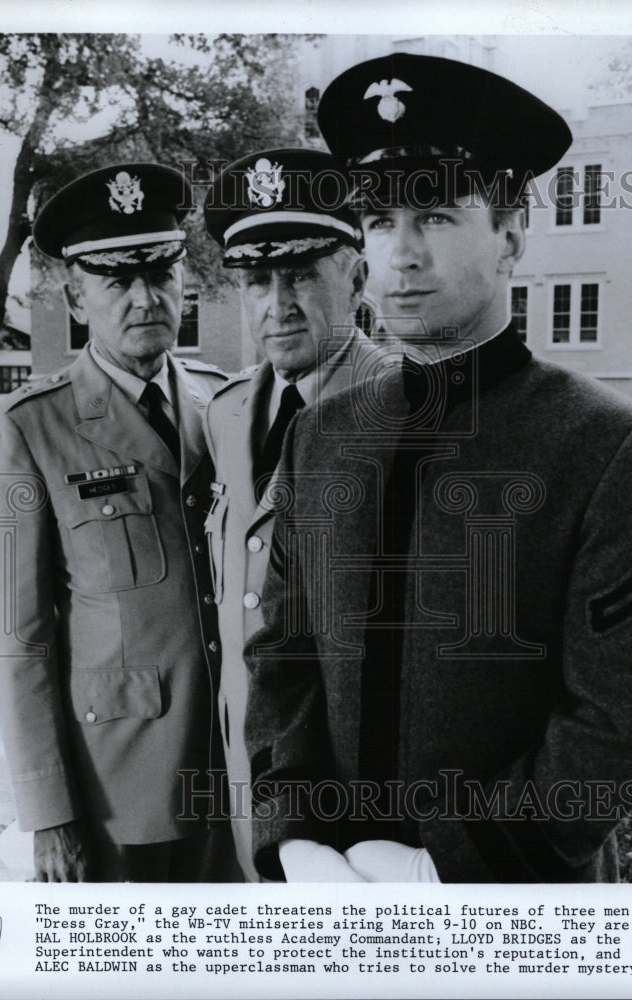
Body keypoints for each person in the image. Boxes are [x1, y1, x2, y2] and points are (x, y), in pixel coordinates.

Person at [244, 54, 632, 883]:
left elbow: (624, 720)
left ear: (512, 232)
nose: (399, 256)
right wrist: (294, 833)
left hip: (515, 905)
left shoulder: (607, 444)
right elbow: (282, 655)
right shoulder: (322, 435)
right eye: (379, 221)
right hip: (330, 897)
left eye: (435, 216)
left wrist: (444, 867)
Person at [0, 163, 240, 882]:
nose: (144, 298)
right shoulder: (28, 428)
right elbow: (12, 637)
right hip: (120, 790)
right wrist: (49, 813)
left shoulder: (228, 408)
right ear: (76, 294)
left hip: (240, 776)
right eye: (117, 281)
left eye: (160, 272)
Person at [202, 147, 390, 880]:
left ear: (357, 277)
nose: (277, 303)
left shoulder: (414, 416)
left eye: (302, 274)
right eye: (255, 280)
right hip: (251, 779)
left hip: (356, 802)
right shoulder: (225, 414)